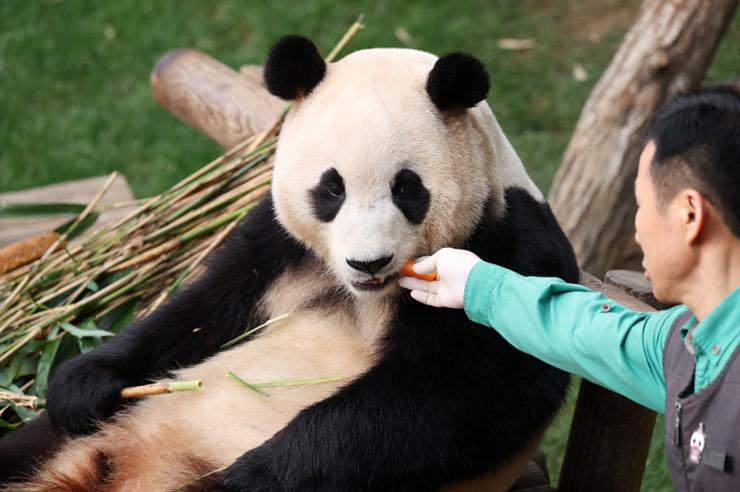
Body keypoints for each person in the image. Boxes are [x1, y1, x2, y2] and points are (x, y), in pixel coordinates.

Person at [399, 87, 740, 491]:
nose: (636, 228)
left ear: (689, 214)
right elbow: (596, 332)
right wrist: (478, 285)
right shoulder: (694, 342)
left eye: (640, 204)